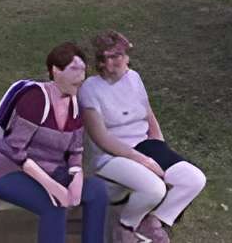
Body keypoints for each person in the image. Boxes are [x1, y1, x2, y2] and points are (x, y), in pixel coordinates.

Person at [78, 29, 208, 243]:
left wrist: (159, 146)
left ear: (126, 56)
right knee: (154, 189)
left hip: (144, 145)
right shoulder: (90, 89)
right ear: (98, 62)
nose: (110, 64)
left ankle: (153, 222)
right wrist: (144, 161)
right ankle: (125, 226)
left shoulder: (134, 78)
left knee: (194, 179)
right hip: (110, 156)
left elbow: (149, 116)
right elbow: (101, 138)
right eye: (104, 59)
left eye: (116, 56)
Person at [0, 44, 113, 243]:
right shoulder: (36, 98)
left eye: (82, 71)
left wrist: (76, 180)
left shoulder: (75, 105)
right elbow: (15, 150)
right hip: (14, 174)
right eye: (74, 70)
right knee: (54, 204)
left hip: (54, 172)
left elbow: (75, 152)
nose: (80, 77)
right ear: (55, 70)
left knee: (97, 190)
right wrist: (54, 187)